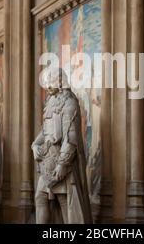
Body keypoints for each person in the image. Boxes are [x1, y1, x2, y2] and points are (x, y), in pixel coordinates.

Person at [32, 67, 92, 224]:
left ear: (60, 81)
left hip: (63, 162)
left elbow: (70, 138)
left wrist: (62, 165)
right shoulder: (50, 102)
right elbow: (45, 130)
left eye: (50, 81)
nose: (47, 86)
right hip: (47, 161)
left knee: (66, 203)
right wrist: (34, 145)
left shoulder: (70, 102)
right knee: (41, 197)